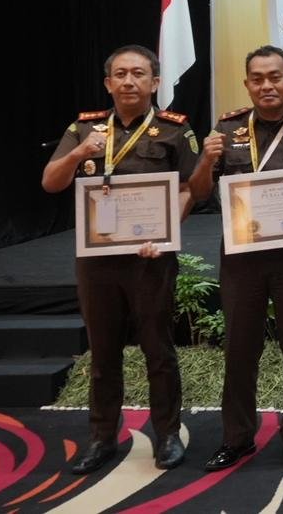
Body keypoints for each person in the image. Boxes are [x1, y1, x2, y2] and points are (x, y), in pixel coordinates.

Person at [41, 45, 197, 474]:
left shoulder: (175, 130)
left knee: (158, 348)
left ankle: (167, 434)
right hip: (98, 260)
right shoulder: (83, 129)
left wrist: (166, 232)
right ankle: (102, 438)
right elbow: (51, 182)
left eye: (139, 74)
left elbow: (190, 189)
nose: (129, 81)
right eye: (121, 74)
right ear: (108, 83)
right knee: (103, 351)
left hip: (150, 259)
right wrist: (78, 154)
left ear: (155, 82)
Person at [188, 45, 283, 472]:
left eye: (275, 77)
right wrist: (207, 161)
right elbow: (198, 192)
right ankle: (237, 437)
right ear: (247, 84)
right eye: (257, 79)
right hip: (242, 258)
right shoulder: (227, 128)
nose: (267, 85)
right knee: (239, 347)